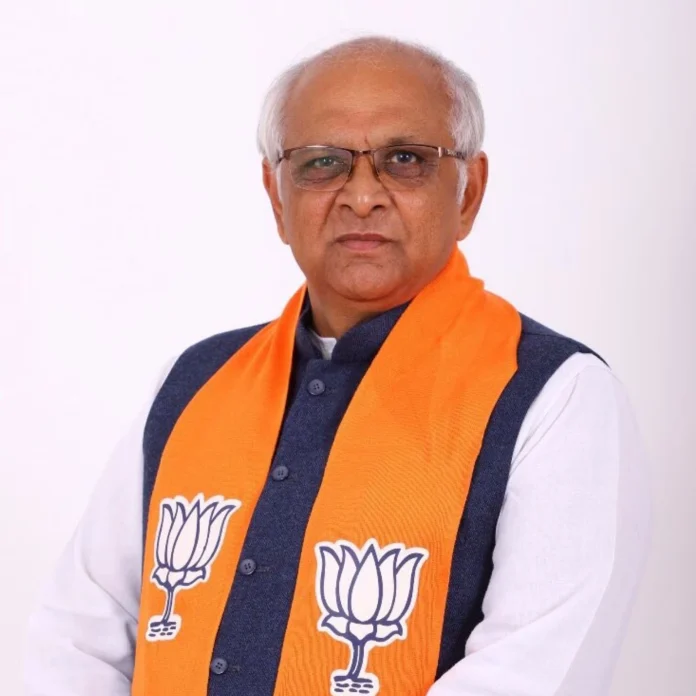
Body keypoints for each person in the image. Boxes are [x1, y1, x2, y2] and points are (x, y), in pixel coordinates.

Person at [23, 35, 652, 696]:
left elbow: (531, 673)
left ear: (469, 192)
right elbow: (79, 641)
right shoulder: (197, 382)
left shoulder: (554, 396)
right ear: (276, 197)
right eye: (323, 163)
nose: (362, 196)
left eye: (405, 160)